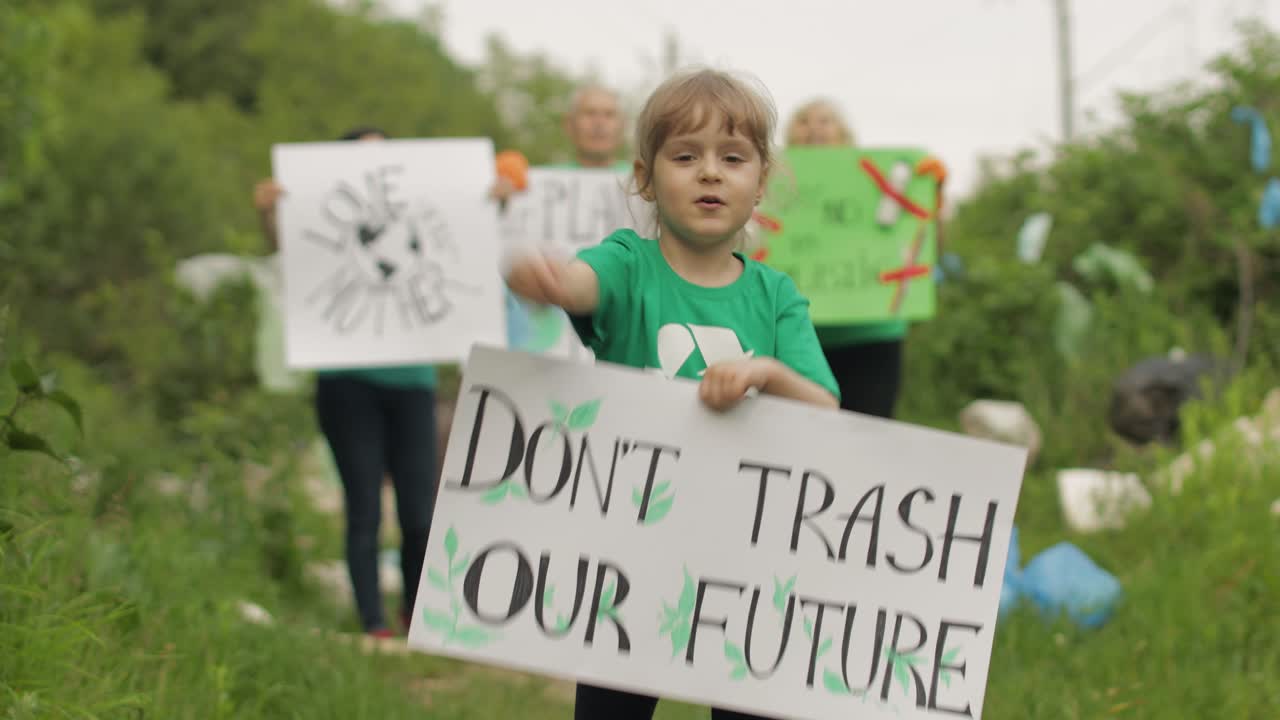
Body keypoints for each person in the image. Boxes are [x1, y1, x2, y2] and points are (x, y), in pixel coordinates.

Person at [504, 68, 839, 720]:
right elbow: (579, 284)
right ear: (646, 178)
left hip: (743, 559)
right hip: (631, 553)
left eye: (732, 158)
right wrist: (544, 278)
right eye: (686, 156)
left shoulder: (776, 296)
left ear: (761, 181)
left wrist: (766, 373)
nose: (709, 173)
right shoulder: (628, 263)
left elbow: (824, 408)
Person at [253, 126, 438, 639]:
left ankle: (414, 615)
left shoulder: (423, 214)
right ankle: (373, 623)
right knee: (363, 508)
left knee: (420, 513)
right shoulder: (324, 218)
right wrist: (272, 212)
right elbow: (290, 250)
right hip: (345, 382)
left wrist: (495, 203)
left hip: (413, 381)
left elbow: (467, 237)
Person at [785, 99, 907, 419]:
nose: (814, 127)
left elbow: (919, 248)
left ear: (844, 134)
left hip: (871, 334)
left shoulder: (886, 184)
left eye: (825, 120)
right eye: (803, 120)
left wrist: (929, 195)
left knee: (870, 442)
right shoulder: (767, 185)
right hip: (795, 334)